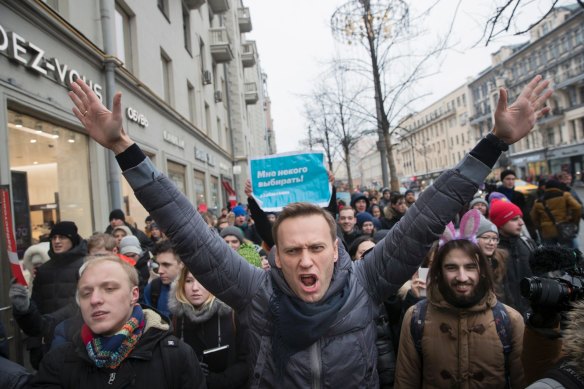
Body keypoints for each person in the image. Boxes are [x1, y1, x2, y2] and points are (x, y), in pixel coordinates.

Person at [68, 74, 551, 387]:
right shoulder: (255, 292)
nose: (305, 259)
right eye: (292, 249)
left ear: (336, 253)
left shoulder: (366, 283)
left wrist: (494, 144)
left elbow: (427, 215)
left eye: (316, 247)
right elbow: (187, 229)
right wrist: (125, 149)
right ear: (273, 256)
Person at [29, 256, 205, 388]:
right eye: (86, 293)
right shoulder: (58, 362)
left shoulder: (175, 356)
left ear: (133, 295)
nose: (95, 299)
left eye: (109, 289)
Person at [394, 210, 525, 388]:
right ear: (439, 272)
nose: (462, 277)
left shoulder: (510, 320)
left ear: (482, 271)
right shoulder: (416, 318)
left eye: (470, 267)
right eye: (451, 267)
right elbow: (405, 382)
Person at [10, 221, 87, 369]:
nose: (57, 241)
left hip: (77, 339)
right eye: (54, 237)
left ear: (73, 239)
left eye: (62, 237)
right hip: (47, 342)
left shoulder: (84, 266)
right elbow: (36, 307)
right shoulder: (44, 270)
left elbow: (77, 306)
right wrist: (24, 308)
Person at [169, 267, 249, 388]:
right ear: (181, 285)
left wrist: (213, 380)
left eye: (201, 280)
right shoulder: (176, 319)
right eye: (189, 281)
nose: (195, 288)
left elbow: (246, 361)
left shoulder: (232, 314)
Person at [489, 198, 535, 317]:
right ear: (500, 223)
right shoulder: (492, 251)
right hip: (507, 314)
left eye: (520, 217)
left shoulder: (527, 244)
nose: (521, 222)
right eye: (514, 219)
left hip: (532, 311)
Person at [530, 179, 581, 247]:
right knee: (572, 251)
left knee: (552, 254)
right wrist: (573, 220)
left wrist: (541, 226)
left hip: (547, 232)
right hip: (564, 230)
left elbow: (533, 216)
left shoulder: (538, 201)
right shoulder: (564, 195)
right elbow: (577, 207)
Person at [142, 239, 183, 318]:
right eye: (158, 264)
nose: (160, 271)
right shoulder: (152, 288)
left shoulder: (196, 289)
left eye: (166, 265)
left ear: (182, 264)